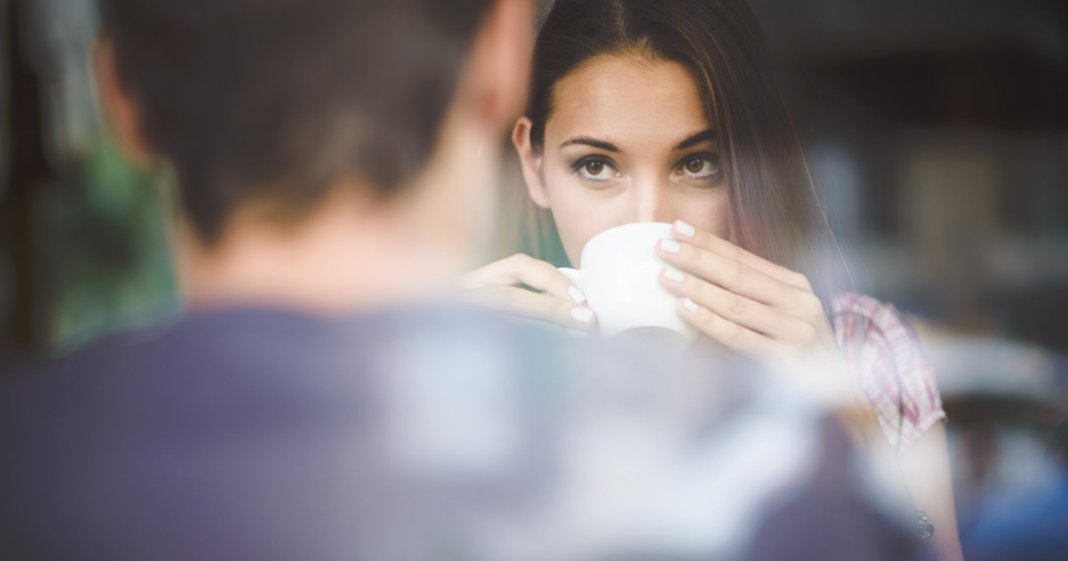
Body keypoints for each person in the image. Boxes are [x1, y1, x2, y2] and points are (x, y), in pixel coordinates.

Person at [461, 1, 962, 559]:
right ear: (534, 166)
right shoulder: (482, 370)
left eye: (697, 164)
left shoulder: (865, 352)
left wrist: (842, 424)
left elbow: (929, 546)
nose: (648, 217)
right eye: (597, 166)